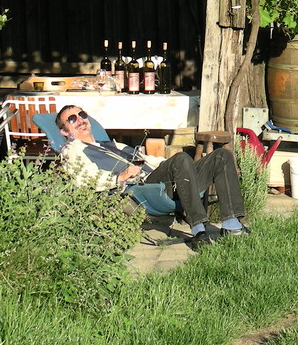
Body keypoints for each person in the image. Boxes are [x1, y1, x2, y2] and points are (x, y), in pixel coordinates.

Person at [54, 105, 248, 250]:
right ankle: (199, 229)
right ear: (64, 131)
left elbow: (149, 160)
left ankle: (232, 225)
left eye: (82, 115)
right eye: (72, 119)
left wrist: (174, 167)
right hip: (144, 189)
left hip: (160, 177)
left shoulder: (112, 145)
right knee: (181, 159)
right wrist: (118, 177)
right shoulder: (73, 151)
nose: (80, 120)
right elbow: (83, 179)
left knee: (221, 156)